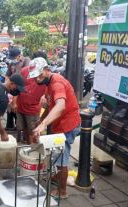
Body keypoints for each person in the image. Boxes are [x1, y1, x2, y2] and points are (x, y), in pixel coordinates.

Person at [30, 57, 81, 199]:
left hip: (68, 125)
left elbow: (60, 106)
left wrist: (43, 124)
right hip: (59, 124)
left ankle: (62, 191)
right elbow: (51, 106)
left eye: (40, 76)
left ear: (47, 70)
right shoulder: (48, 84)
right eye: (35, 77)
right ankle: (56, 177)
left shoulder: (57, 82)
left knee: (61, 160)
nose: (38, 80)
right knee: (55, 155)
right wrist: (41, 120)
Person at [11, 66, 46, 143]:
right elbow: (18, 86)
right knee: (23, 128)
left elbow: (48, 90)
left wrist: (44, 96)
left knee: (33, 130)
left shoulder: (45, 75)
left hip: (33, 109)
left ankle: (32, 148)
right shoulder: (25, 70)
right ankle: (28, 146)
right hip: (21, 106)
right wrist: (14, 102)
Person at [5, 48, 30, 131]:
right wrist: (8, 83)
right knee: (10, 106)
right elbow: (7, 75)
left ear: (19, 55)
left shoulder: (26, 61)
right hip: (12, 86)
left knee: (17, 107)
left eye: (14, 57)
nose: (12, 60)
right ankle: (10, 125)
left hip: (21, 87)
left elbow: (25, 77)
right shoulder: (11, 63)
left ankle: (19, 127)